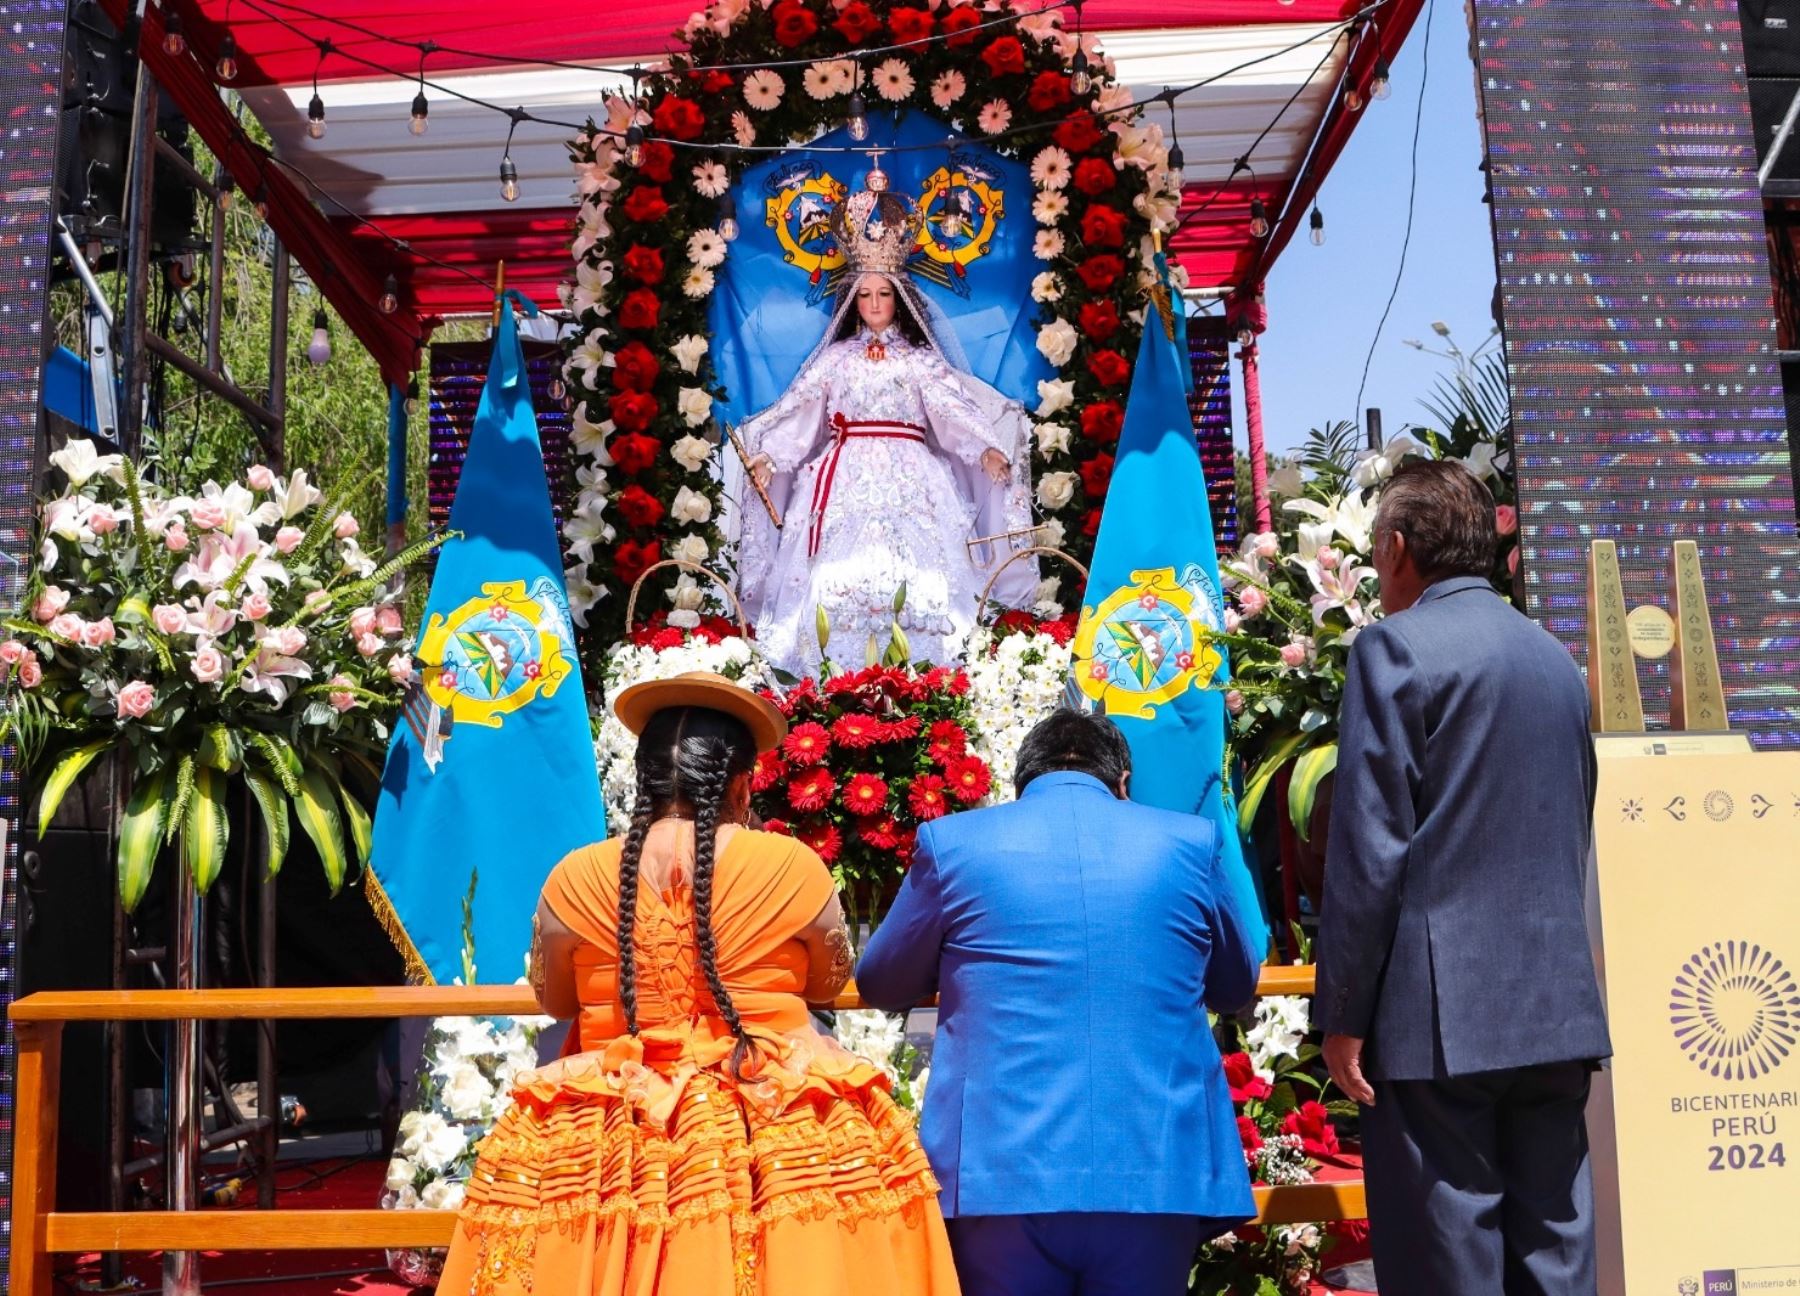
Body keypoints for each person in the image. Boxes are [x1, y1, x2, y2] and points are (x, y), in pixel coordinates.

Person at [437, 671, 960, 1296]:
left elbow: (553, 999)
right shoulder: (791, 865)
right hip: (770, 1114)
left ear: (644, 781)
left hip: (611, 1128)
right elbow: (828, 981)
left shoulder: (575, 875)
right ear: (742, 784)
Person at [1316, 460, 1611, 1296]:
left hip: (1437, 1020)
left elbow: (1370, 850)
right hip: (1556, 1007)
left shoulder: (1394, 648)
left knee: (1451, 1260)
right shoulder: (1555, 659)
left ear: (1401, 548)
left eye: (1377, 553)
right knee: (1556, 1253)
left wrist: (1343, 1014)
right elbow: (1574, 820)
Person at [856, 708, 1265, 1296]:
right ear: (1123, 784)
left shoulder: (955, 843)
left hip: (999, 1175)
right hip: (1154, 1169)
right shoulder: (1191, 842)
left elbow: (882, 982)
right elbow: (1234, 985)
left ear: (1019, 786)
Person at [739, 179, 1037, 678]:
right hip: (842, 477)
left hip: (912, 479)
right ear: (853, 301)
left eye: (883, 294)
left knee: (921, 579)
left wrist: (984, 448)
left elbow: (950, 413)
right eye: (866, 295)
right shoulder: (834, 360)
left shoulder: (921, 362)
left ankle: (922, 675)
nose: (875, 304)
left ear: (898, 300)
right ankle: (833, 677)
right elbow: (802, 415)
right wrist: (770, 456)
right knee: (834, 584)